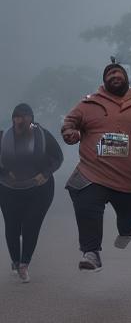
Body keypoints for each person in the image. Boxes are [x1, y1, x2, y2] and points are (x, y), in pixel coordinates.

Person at [61, 58, 131, 272]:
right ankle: (91, 253)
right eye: (109, 74)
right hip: (94, 172)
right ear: (104, 82)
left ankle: (129, 228)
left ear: (127, 78)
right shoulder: (88, 103)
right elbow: (69, 123)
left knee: (128, 220)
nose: (114, 76)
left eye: (118, 73)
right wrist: (70, 133)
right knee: (86, 204)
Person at [0, 103, 63, 283]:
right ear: (13, 119)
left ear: (32, 120)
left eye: (26, 116)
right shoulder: (3, 136)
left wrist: (46, 173)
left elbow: (58, 157)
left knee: (31, 225)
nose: (22, 120)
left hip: (39, 189)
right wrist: (4, 173)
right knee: (12, 227)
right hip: (8, 189)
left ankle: (24, 264)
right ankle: (15, 260)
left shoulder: (42, 135)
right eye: (18, 116)